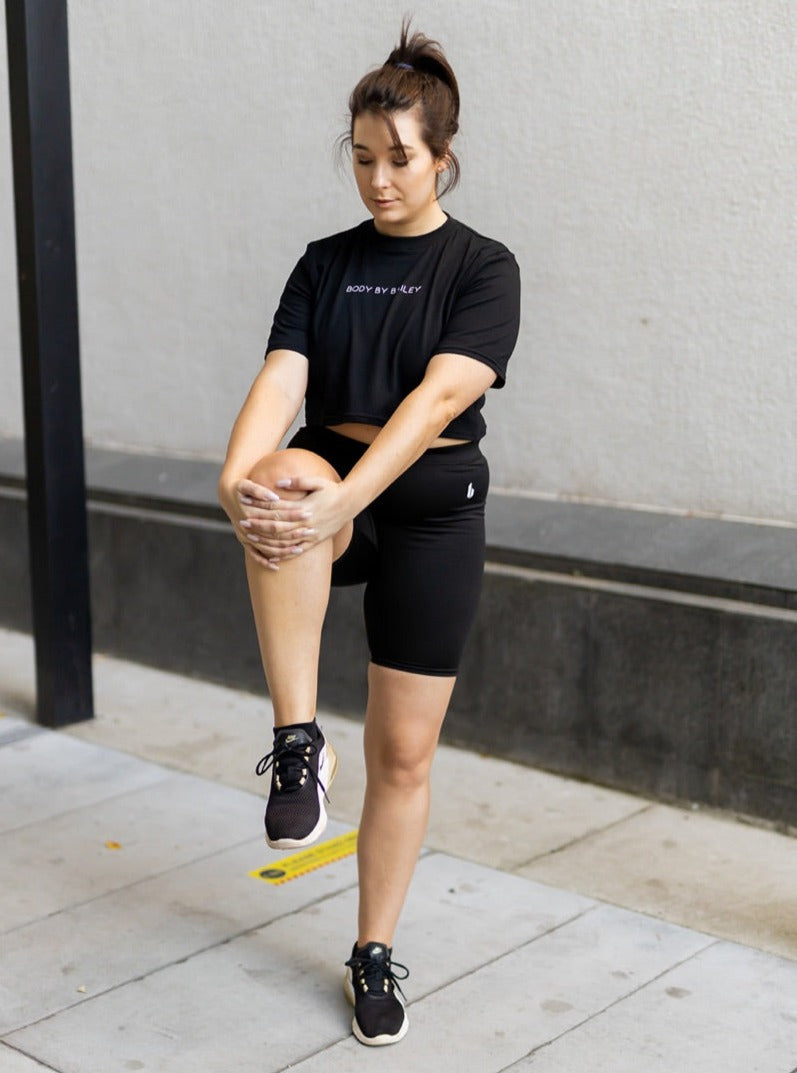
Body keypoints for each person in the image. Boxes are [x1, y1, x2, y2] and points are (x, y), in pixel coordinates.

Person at [218, 21, 520, 1047]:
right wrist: (234, 474)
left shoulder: (482, 267)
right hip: (325, 486)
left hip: (431, 507)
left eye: (397, 159)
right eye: (360, 159)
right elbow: (284, 379)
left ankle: (372, 948)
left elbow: (440, 399)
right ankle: (295, 739)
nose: (377, 180)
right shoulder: (323, 264)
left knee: (401, 753)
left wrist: (356, 497)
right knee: (280, 479)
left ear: (441, 156)